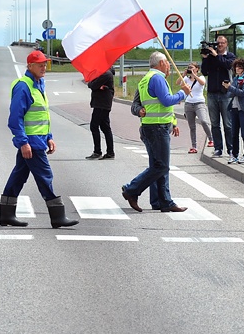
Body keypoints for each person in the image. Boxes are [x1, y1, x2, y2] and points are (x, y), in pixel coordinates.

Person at [0, 50, 78, 228]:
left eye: (45, 64)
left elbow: (42, 116)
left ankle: (6, 214)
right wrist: (23, 142)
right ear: (30, 66)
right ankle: (57, 216)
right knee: (45, 176)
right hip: (31, 142)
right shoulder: (23, 86)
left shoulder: (38, 84)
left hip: (38, 140)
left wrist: (49, 137)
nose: (44, 67)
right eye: (40, 64)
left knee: (18, 176)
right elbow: (15, 118)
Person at [121, 51, 191, 213]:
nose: (168, 65)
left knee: (157, 165)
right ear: (160, 63)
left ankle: (161, 201)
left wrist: (173, 122)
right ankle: (132, 189)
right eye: (166, 62)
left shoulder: (145, 79)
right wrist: (182, 93)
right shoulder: (158, 78)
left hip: (150, 126)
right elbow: (166, 101)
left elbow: (157, 105)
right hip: (157, 127)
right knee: (162, 166)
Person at [200, 35, 235, 157]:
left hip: (225, 94)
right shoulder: (211, 57)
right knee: (215, 123)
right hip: (212, 93)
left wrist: (217, 56)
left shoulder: (230, 56)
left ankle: (231, 149)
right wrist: (205, 58)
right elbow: (204, 72)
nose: (219, 45)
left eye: (222, 43)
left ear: (226, 44)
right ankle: (218, 148)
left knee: (228, 124)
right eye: (218, 43)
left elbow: (228, 65)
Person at [224, 58, 244, 164]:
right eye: (236, 67)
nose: (237, 69)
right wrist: (228, 88)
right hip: (234, 108)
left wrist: (231, 89)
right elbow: (230, 94)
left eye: (240, 67)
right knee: (234, 133)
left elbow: (243, 92)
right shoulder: (235, 78)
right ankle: (234, 155)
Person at [182, 62, 213, 154]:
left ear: (197, 69)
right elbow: (178, 83)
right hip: (188, 104)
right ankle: (194, 146)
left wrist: (194, 75)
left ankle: (211, 139)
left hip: (199, 103)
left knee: (203, 121)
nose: (190, 69)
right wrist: (183, 75)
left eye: (192, 67)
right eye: (189, 67)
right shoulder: (186, 79)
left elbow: (202, 83)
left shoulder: (201, 77)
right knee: (192, 126)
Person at [85, 66, 115, 160]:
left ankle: (97, 151)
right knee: (105, 127)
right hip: (102, 104)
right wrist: (96, 85)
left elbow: (92, 85)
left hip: (101, 104)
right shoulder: (105, 74)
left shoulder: (106, 74)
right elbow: (94, 85)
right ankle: (110, 152)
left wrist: (93, 84)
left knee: (94, 126)